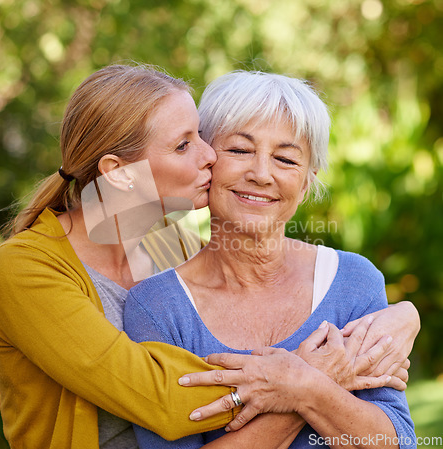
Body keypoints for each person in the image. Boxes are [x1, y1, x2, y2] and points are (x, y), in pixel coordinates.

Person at [0, 64, 418, 449]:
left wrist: (404, 314)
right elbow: (166, 401)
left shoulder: (173, 249)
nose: (212, 154)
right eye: (184, 145)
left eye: (201, 138)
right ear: (119, 173)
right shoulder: (22, 271)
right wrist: (313, 378)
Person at [124, 70, 417, 448]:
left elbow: (397, 442)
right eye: (240, 150)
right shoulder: (156, 306)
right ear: (206, 161)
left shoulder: (355, 281)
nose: (262, 174)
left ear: (307, 182)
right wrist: (315, 381)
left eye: (285, 159)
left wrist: (302, 386)